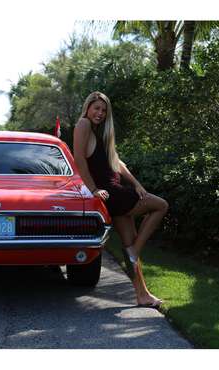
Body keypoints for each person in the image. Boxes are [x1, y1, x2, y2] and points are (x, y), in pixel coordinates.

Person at [73, 91, 168, 308]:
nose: (100, 113)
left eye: (104, 110)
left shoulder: (100, 132)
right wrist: (94, 189)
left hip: (115, 189)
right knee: (161, 205)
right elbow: (78, 159)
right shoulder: (83, 124)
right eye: (96, 108)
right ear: (88, 107)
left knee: (129, 242)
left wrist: (135, 183)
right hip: (110, 192)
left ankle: (142, 295)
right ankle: (137, 250)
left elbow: (116, 161)